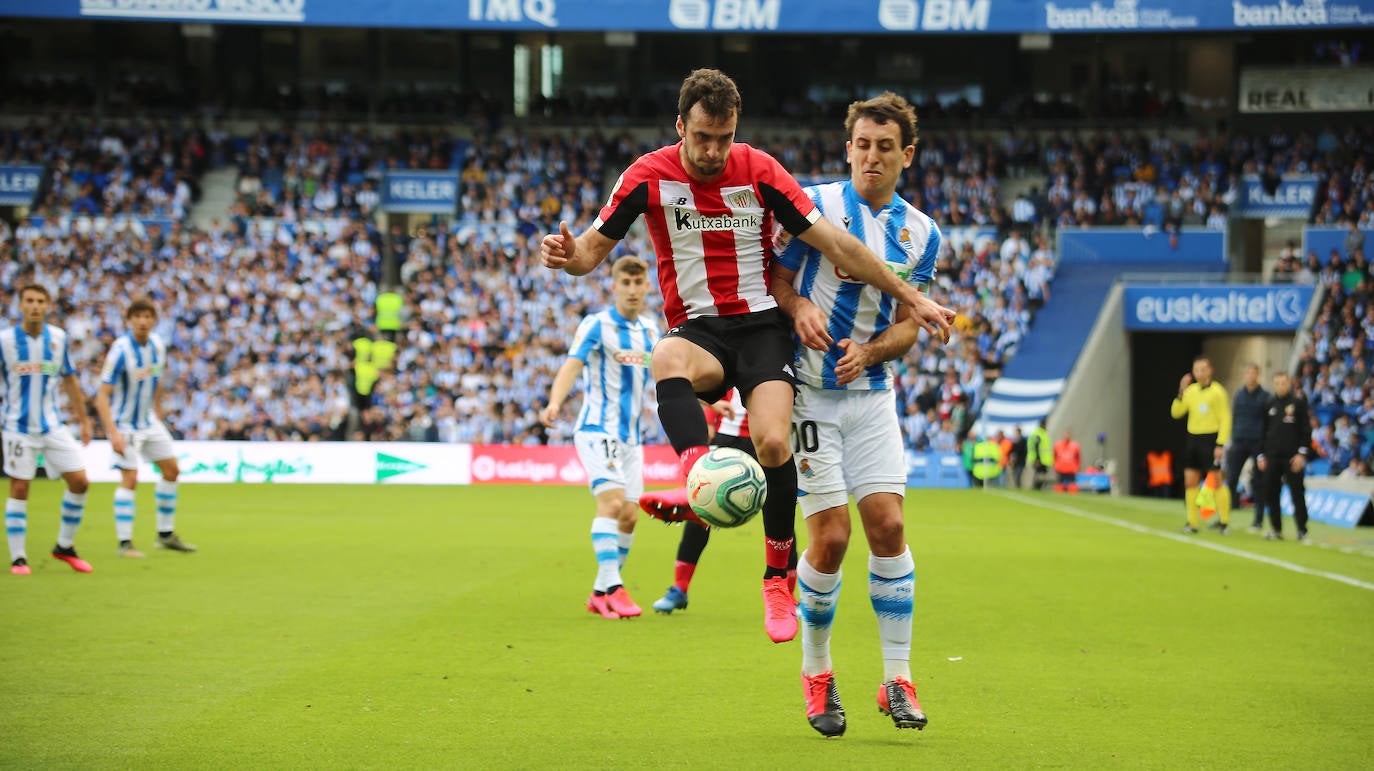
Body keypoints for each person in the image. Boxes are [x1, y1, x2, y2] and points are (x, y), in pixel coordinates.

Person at [539, 69, 954, 643]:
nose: (713, 150)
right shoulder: (647, 176)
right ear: (680, 126)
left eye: (724, 137)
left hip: (762, 328)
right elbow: (591, 250)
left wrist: (911, 295)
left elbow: (836, 244)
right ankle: (698, 476)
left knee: (775, 442)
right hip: (699, 329)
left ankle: (777, 579)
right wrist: (566, 253)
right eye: (703, 136)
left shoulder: (759, 170)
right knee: (667, 358)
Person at [770, 92, 939, 736]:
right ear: (849, 149)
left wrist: (869, 350)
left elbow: (910, 324)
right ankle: (818, 676)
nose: (872, 156)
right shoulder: (815, 206)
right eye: (863, 144)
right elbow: (780, 282)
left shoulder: (920, 233)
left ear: (906, 155)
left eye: (885, 146)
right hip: (810, 393)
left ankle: (897, 679)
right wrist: (800, 310)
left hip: (873, 398)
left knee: (889, 528)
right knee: (832, 538)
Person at [539, 256, 658, 619]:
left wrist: (712, 400)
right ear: (614, 285)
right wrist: (555, 402)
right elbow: (572, 365)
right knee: (611, 504)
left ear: (647, 286)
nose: (633, 290)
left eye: (639, 283)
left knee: (630, 516)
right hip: (596, 429)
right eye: (626, 282)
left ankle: (600, 592)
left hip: (631, 439)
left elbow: (671, 378)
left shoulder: (651, 332)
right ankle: (615, 587)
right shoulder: (597, 324)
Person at [642, 389, 771, 614]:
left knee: (778, 516)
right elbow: (724, 380)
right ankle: (679, 589)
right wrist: (710, 419)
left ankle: (787, 595)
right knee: (701, 513)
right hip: (726, 438)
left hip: (767, 438)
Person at [1, 284, 95, 575]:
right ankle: (19, 558)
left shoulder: (58, 338)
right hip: (18, 426)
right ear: (20, 305)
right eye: (29, 300)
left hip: (52, 425)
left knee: (80, 481)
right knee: (20, 486)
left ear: (48, 305)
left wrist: (84, 419)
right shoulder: (5, 341)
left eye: (40, 301)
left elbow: (70, 379)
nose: (35, 306)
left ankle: (64, 546)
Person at [92, 297, 196, 558]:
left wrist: (157, 413)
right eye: (137, 316)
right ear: (129, 320)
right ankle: (125, 544)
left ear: (154, 321)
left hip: (148, 422)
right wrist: (113, 432)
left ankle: (165, 535)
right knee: (130, 478)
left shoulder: (158, 346)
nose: (142, 321)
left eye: (147, 316)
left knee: (172, 470)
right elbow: (102, 395)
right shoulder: (120, 350)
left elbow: (155, 381)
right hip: (125, 424)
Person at [1171, 355, 1232, 534]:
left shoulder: (1218, 391)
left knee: (1217, 480)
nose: (1199, 373)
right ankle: (1192, 522)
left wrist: (1220, 443)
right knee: (1191, 481)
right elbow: (1176, 412)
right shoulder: (1191, 391)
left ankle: (1224, 521)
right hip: (1193, 439)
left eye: (1203, 369)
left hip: (1211, 439)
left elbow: (1225, 418)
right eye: (1196, 370)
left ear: (1210, 370)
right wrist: (1181, 391)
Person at [1257, 371, 1312, 542]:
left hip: (1292, 457)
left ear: (1289, 383)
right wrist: (1261, 455)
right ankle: (1276, 528)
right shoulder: (1269, 404)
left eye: (1283, 382)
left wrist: (1301, 454)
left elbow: (1306, 431)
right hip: (1272, 456)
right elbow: (1263, 432)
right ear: (1274, 385)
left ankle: (1302, 529)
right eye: (1277, 383)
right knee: (1271, 493)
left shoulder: (1298, 404)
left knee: (1297, 493)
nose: (1280, 386)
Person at [1225, 363, 1270, 533]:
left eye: (1254, 373)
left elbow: (1266, 422)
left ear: (1258, 375)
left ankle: (1258, 520)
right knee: (1231, 479)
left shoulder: (1265, 396)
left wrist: (1263, 447)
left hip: (1257, 442)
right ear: (1244, 375)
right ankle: (1225, 517)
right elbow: (1235, 417)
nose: (1251, 376)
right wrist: (1232, 438)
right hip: (1239, 440)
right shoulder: (1239, 395)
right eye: (1248, 373)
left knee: (1258, 481)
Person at [1027, 419, 1053, 490]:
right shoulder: (1038, 434)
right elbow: (1036, 447)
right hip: (1040, 459)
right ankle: (1036, 487)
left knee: (1041, 474)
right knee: (1039, 475)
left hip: (1044, 459)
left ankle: (1038, 487)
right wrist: (1037, 459)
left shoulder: (1043, 433)